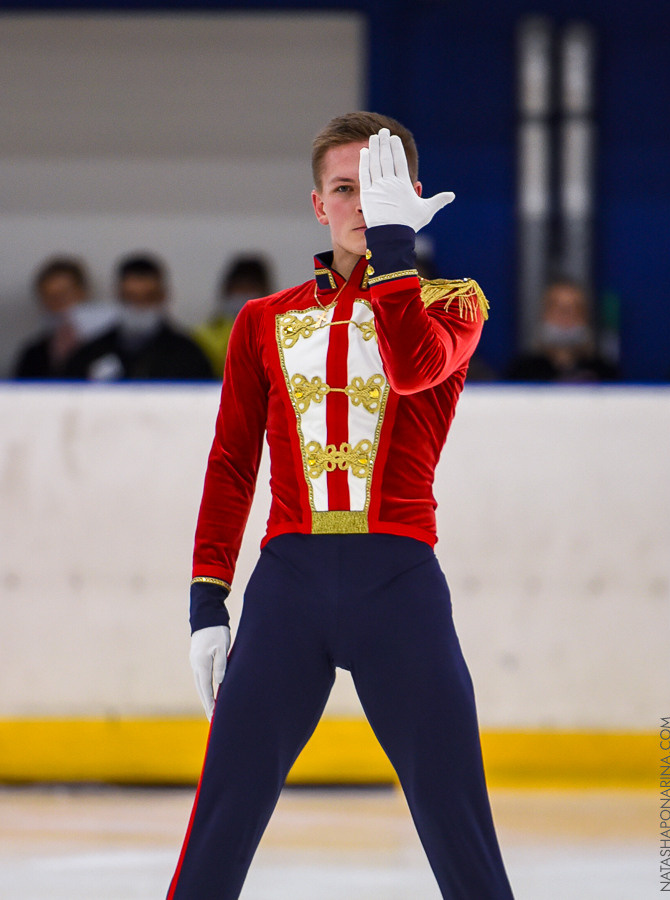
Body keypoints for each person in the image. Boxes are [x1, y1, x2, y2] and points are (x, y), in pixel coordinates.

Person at [167, 112, 514, 900]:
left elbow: (412, 365)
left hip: (398, 586)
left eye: (380, 189)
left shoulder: (454, 306)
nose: (362, 204)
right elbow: (230, 463)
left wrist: (397, 248)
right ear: (316, 205)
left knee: (455, 819)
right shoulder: (262, 322)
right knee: (221, 819)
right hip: (286, 584)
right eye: (345, 189)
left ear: (413, 198)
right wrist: (206, 599)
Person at [64, 254, 212, 381]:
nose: (138, 307)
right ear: (118, 296)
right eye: (130, 298)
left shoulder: (187, 354)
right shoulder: (93, 352)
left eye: (148, 298)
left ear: (163, 297)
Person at [13, 256, 114, 378]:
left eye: (64, 295)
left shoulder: (112, 344)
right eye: (49, 297)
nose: (58, 303)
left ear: (82, 292)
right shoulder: (33, 353)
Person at [507, 277, 619, 382]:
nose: (566, 316)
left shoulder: (605, 374)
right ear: (542, 315)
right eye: (557, 308)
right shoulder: (521, 373)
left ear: (586, 317)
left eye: (575, 309)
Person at [193, 255, 272, 378]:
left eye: (251, 289)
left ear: (265, 291)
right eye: (239, 288)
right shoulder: (204, 335)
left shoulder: (277, 331)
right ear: (227, 291)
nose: (244, 295)